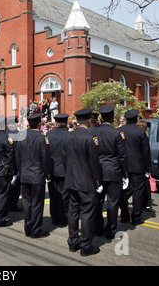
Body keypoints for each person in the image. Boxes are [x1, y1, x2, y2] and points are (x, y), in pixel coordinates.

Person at [62, 108, 102, 256]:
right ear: (88, 120)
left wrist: (69, 175)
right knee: (87, 213)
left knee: (73, 212)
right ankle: (86, 245)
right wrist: (98, 182)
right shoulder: (90, 137)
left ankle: (73, 242)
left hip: (72, 180)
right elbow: (94, 163)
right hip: (86, 181)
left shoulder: (68, 137)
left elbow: (64, 160)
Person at [91, 105, 128, 239]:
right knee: (113, 203)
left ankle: (98, 227)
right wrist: (125, 174)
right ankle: (111, 230)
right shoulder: (116, 133)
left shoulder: (93, 132)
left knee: (98, 202)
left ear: (100, 118)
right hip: (113, 171)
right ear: (113, 118)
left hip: (98, 171)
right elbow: (122, 156)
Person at [16, 113, 52, 238]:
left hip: (25, 174)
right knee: (37, 203)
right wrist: (47, 174)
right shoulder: (42, 138)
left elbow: (18, 158)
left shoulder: (21, 137)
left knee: (27, 203)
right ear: (39, 124)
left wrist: (20, 172)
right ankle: (35, 229)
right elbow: (45, 159)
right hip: (37, 175)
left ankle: (28, 227)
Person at [119, 109, 151, 226]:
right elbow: (146, 151)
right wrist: (148, 168)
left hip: (123, 166)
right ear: (137, 118)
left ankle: (124, 214)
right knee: (138, 192)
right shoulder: (141, 132)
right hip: (137, 166)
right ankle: (136, 217)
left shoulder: (119, 131)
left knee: (123, 190)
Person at [46, 113, 70, 227]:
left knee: (53, 195)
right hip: (65, 170)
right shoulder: (68, 135)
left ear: (55, 123)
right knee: (64, 196)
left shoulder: (49, 134)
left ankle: (54, 216)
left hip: (52, 169)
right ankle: (62, 217)